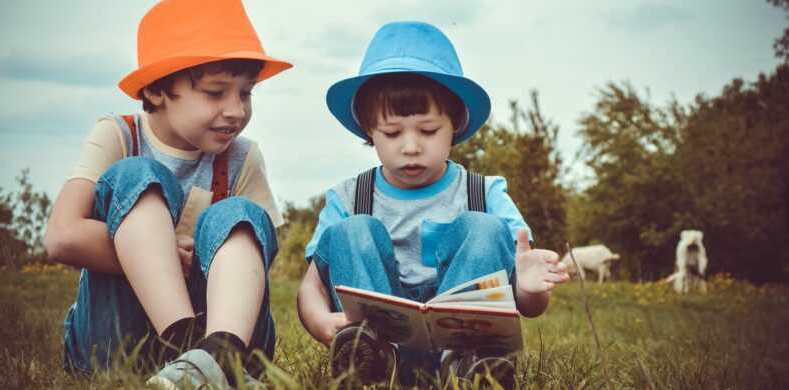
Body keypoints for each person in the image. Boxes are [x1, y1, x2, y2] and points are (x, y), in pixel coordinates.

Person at [296, 21, 570, 387]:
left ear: (455, 123)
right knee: (352, 231)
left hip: (463, 343)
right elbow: (310, 287)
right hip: (380, 341)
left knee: (485, 227)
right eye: (392, 133)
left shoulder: (484, 192)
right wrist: (320, 322)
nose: (411, 146)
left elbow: (528, 304)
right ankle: (371, 364)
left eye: (428, 131)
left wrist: (529, 291)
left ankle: (473, 367)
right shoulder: (349, 197)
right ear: (368, 128)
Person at [44, 0, 291, 387]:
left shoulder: (243, 156)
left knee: (240, 215)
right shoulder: (120, 135)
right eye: (215, 93)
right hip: (115, 341)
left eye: (246, 94)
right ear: (157, 89)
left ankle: (221, 356)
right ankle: (188, 346)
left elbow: (255, 259)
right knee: (136, 175)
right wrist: (160, 254)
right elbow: (62, 236)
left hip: (224, 329)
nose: (236, 111)